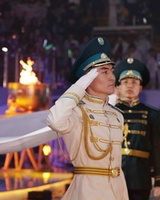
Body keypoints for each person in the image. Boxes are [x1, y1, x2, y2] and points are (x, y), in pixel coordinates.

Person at [46, 37, 129, 199]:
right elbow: (55, 120)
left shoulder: (117, 115)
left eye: (112, 71)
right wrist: (79, 86)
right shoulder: (76, 112)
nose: (112, 77)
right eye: (104, 72)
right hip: (88, 191)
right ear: (87, 79)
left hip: (118, 189)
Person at [113, 57, 160, 199]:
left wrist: (158, 180)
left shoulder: (153, 115)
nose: (130, 86)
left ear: (141, 87)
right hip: (113, 177)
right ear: (118, 87)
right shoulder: (108, 113)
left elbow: (157, 148)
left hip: (140, 176)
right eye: (125, 82)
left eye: (134, 82)